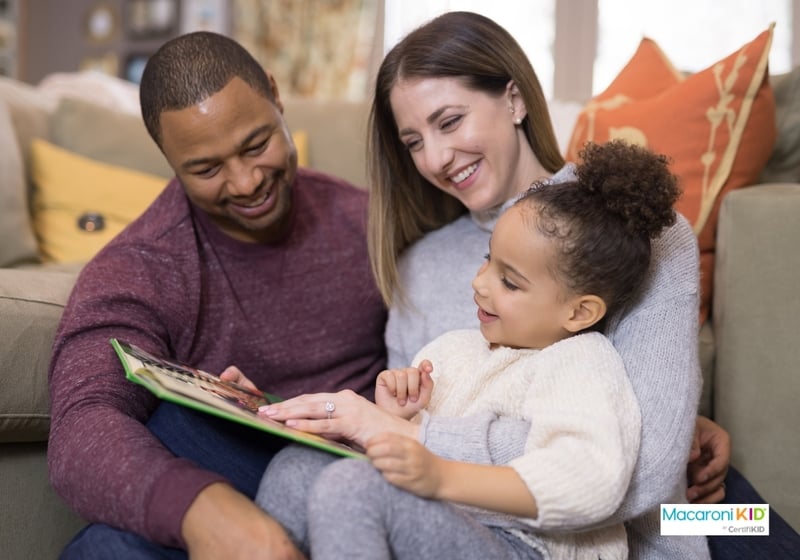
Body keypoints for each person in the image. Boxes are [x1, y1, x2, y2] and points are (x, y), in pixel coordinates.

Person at [253, 11, 796, 559]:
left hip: (652, 521)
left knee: (756, 524)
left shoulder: (641, 232)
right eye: (414, 141)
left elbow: (641, 472)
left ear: (513, 99)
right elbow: (404, 429)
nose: (436, 159)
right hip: (471, 516)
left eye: (450, 121)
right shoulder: (420, 265)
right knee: (294, 471)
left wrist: (683, 428)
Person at [46, 31, 388, 559]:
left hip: (365, 482)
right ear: (168, 156)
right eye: (207, 169)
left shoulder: (370, 223)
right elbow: (83, 424)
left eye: (257, 145)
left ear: (276, 97)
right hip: (233, 487)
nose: (247, 181)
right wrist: (202, 511)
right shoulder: (141, 266)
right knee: (104, 549)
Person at [256, 140, 684, 559]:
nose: (479, 284)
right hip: (458, 525)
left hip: (532, 546)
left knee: (353, 488)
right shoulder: (455, 349)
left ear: (580, 312)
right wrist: (397, 415)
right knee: (294, 469)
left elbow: (593, 481)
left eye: (510, 282)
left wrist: (441, 476)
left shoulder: (582, 362)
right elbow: (410, 459)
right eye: (487, 260)